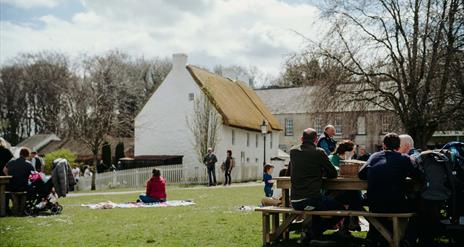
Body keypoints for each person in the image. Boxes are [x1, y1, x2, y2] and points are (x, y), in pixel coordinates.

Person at [358, 133, 420, 245]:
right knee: (419, 207)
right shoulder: (404, 158)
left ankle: (376, 237)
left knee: (381, 202)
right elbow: (419, 176)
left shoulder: (374, 157)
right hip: (395, 204)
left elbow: (361, 175)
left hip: (374, 204)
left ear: (384, 145)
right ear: (399, 145)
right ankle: (407, 239)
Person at [289, 128, 343, 243]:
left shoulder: (293, 151)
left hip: (295, 201)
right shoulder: (319, 152)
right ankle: (312, 234)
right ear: (316, 140)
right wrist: (321, 171)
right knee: (341, 209)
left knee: (318, 204)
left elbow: (290, 171)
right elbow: (333, 173)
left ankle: (313, 235)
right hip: (311, 200)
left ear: (302, 139)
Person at [328, 140, 363, 231]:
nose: (354, 152)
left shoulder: (343, 159)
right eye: (353, 150)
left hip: (341, 190)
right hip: (332, 192)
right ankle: (350, 223)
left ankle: (349, 223)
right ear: (346, 151)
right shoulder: (334, 159)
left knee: (354, 193)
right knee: (355, 195)